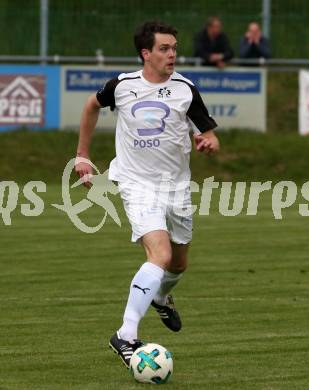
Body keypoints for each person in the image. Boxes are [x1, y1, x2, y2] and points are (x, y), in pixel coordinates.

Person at [75, 21, 219, 369]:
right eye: (165, 49)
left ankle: (162, 296)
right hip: (137, 184)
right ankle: (125, 335)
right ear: (146, 53)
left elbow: (209, 133)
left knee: (178, 263)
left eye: (174, 48)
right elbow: (90, 106)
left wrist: (209, 141)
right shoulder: (122, 86)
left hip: (177, 187)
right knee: (160, 253)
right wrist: (82, 155)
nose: (172, 54)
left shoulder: (186, 89)